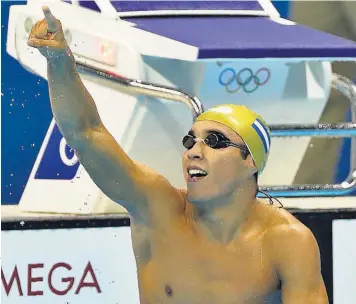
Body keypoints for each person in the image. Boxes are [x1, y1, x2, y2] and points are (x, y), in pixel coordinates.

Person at [28, 6, 329, 304]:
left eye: (215, 141)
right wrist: (58, 60)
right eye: (190, 141)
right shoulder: (157, 209)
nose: (195, 151)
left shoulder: (286, 242)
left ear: (250, 161)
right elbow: (86, 133)